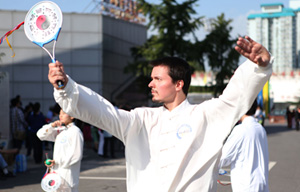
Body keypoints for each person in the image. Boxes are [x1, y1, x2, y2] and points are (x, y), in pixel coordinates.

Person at [48, 36, 273, 191]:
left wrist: (259, 67)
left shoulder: (206, 114)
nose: (150, 84)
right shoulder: (141, 119)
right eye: (151, 78)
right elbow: (104, 112)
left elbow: (235, 98)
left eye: (158, 79)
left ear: (178, 84)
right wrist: (66, 87)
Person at [219, 100, 269, 192]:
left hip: (246, 185)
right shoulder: (260, 129)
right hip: (262, 183)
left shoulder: (240, 130)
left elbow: (223, 158)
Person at [37, 109, 84, 192]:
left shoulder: (75, 131)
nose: (60, 116)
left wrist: (57, 161)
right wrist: (52, 125)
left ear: (72, 116)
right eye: (59, 114)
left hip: (68, 175)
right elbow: (40, 135)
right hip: (56, 175)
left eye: (63, 113)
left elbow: (76, 155)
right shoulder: (61, 130)